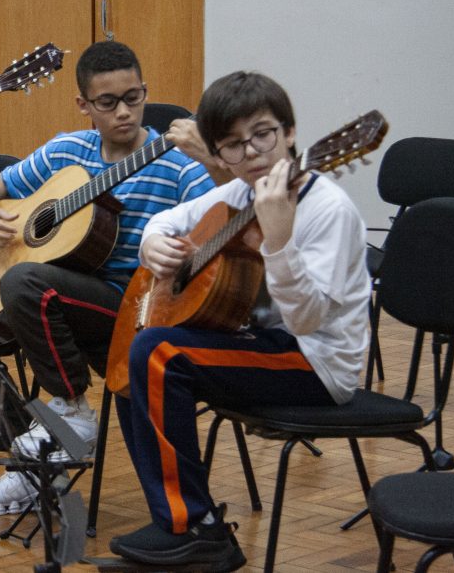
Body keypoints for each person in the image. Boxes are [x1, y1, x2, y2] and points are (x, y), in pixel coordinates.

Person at [0, 40, 216, 516]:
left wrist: (214, 162)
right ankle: (34, 470)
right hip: (59, 310)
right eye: (107, 102)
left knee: (26, 281)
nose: (124, 112)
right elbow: (0, 184)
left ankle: (69, 411)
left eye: (134, 97)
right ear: (83, 105)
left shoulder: (178, 166)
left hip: (133, 314)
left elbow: (215, 225)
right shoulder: (68, 150)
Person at [108, 71, 371, 571]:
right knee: (129, 361)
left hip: (316, 365)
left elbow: (309, 320)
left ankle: (197, 530)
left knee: (158, 353)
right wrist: (154, 245)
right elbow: (170, 220)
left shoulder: (328, 209)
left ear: (290, 134)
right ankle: (177, 520)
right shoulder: (238, 197)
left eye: (263, 134)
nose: (251, 153)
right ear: (219, 155)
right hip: (259, 343)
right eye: (232, 145)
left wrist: (279, 241)